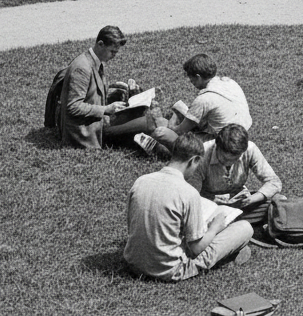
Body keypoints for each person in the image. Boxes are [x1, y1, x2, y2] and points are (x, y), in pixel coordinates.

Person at [124, 133, 254, 280]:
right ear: (194, 160)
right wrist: (215, 228)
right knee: (245, 228)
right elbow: (197, 248)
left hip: (133, 263)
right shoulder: (188, 193)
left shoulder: (140, 181)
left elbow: (131, 225)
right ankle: (230, 252)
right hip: (170, 270)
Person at [58, 26, 139, 149]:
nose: (114, 56)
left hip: (97, 121)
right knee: (145, 123)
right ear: (100, 44)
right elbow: (73, 107)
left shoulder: (95, 61)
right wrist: (106, 109)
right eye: (112, 51)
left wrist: (115, 90)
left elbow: (92, 93)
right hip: (86, 130)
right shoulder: (82, 68)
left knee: (141, 117)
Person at [198, 124, 282, 229]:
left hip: (241, 202)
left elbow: (274, 182)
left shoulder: (250, 149)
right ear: (217, 147)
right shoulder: (202, 153)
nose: (228, 163)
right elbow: (191, 193)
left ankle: (233, 222)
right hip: (210, 204)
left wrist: (253, 199)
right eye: (224, 158)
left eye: (235, 159)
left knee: (279, 201)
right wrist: (212, 199)